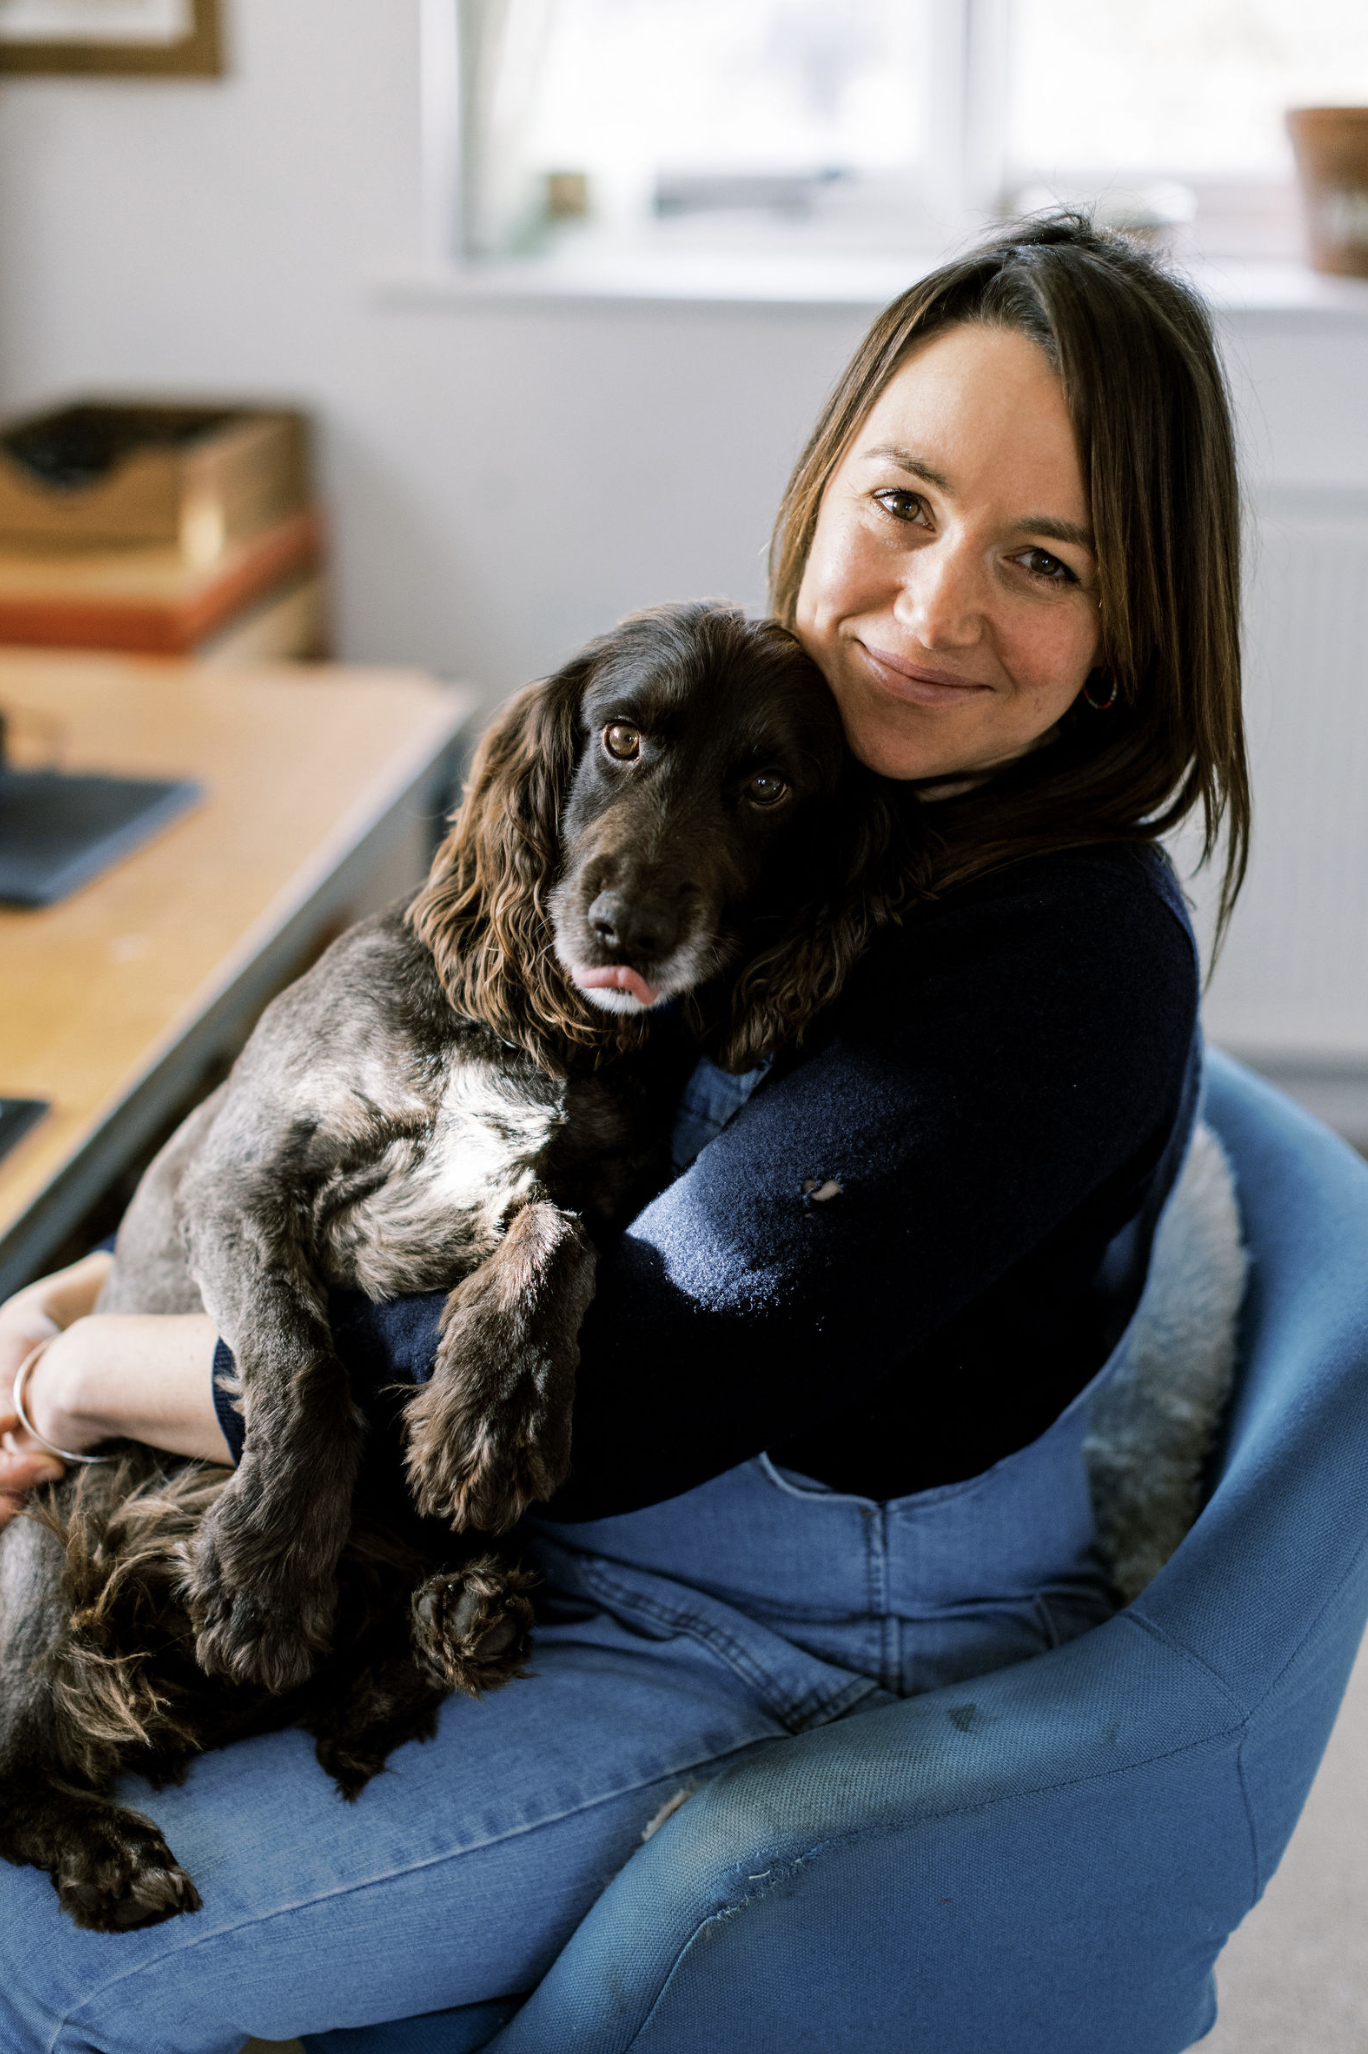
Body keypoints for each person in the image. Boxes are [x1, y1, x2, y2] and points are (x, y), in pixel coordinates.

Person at [0, 214, 1247, 2052]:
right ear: (825, 489)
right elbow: (477, 1152)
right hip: (573, 1541)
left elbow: (631, 1391)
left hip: (780, 1635)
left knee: (43, 1960)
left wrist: (109, 1369)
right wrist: (95, 1285)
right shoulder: (821, 808)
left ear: (1141, 622)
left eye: (1042, 559)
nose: (933, 605)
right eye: (904, 503)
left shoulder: (1057, 962)